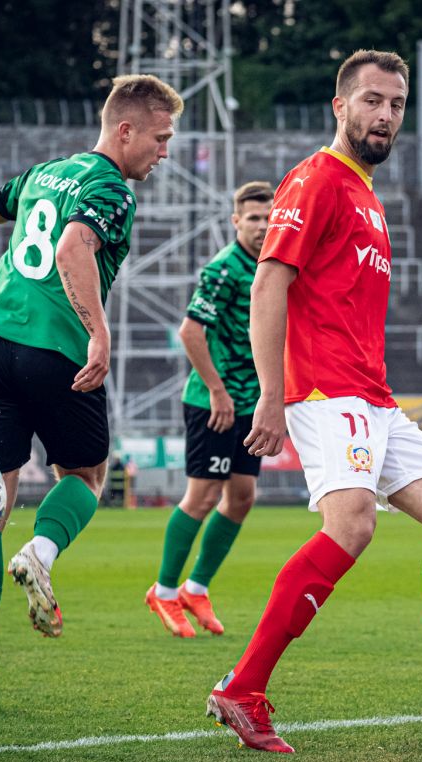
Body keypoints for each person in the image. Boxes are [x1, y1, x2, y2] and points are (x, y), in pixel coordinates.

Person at [203, 50, 422, 753]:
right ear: (340, 106)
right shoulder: (317, 178)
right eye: (372, 101)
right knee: (353, 524)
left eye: (395, 104)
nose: (385, 115)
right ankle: (243, 687)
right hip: (326, 389)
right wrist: (271, 394)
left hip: (373, 397)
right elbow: (269, 284)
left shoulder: (367, 195)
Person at [0, 74, 183, 700]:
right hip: (55, 351)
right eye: (159, 139)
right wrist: (99, 333)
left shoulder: (46, 171)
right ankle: (42, 554)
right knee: (86, 476)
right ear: (125, 130)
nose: (164, 152)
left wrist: (33, 211)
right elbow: (73, 250)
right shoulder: (111, 188)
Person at [146, 181, 274, 638]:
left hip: (250, 404)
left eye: (269, 217)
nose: (262, 226)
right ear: (236, 221)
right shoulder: (223, 269)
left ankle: (195, 589)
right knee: (202, 497)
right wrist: (218, 392)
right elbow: (190, 331)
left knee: (241, 498)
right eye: (253, 218)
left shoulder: (271, 268)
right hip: (214, 403)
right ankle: (163, 591)